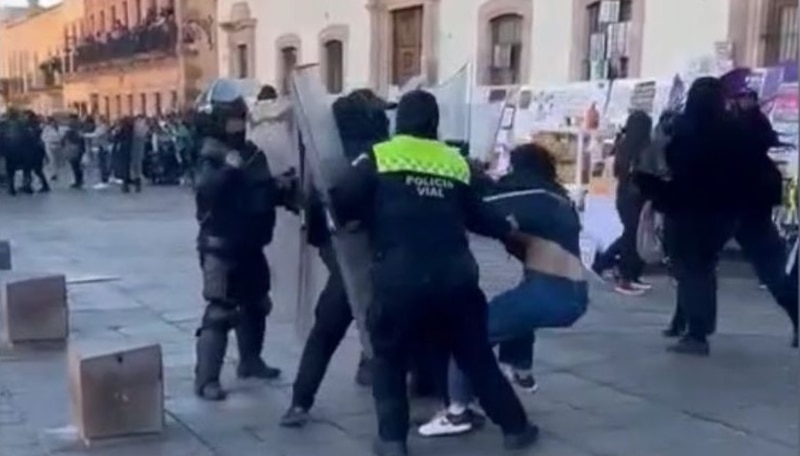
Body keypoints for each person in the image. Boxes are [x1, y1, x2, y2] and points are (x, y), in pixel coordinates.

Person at [330, 90, 538, 456]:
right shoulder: (455, 162)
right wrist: (511, 230)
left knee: (389, 359)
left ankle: (393, 440)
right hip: (454, 279)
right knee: (476, 357)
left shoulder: (378, 157)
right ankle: (516, 429)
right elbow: (481, 217)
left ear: (400, 121)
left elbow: (342, 200)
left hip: (399, 279)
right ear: (434, 122)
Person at [418, 143, 588, 437]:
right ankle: (519, 367)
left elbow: (483, 206)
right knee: (515, 311)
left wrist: (462, 175)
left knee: (469, 336)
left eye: (510, 166)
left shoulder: (528, 195)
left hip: (551, 291)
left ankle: (458, 412)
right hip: (567, 291)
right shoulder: (555, 196)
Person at [279, 88, 392, 428]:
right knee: (388, 329)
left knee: (326, 332)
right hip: (381, 257)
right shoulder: (379, 158)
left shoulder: (329, 161)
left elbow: (318, 214)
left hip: (345, 257)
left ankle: (300, 402)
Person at [192, 79, 297, 401]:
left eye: (239, 119)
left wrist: (283, 188)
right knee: (220, 310)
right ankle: (206, 379)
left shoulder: (250, 152)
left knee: (256, 304)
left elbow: (261, 189)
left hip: (251, 242)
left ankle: (250, 361)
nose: (236, 126)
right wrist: (228, 171)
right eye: (231, 120)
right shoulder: (210, 154)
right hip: (220, 245)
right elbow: (205, 189)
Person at [591, 110, 653, 295]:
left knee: (632, 234)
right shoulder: (641, 148)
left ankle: (618, 270)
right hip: (635, 197)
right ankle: (624, 275)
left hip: (625, 196)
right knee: (632, 236)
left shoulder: (624, 146)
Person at [248, 84, 294, 176]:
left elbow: (251, 124)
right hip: (279, 148)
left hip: (259, 147)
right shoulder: (280, 106)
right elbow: (289, 110)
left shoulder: (254, 110)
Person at [41, 117, 65, 181]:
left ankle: (56, 173)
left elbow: (62, 137)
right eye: (51, 122)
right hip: (49, 146)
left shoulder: (59, 129)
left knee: (57, 161)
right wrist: (49, 140)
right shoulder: (47, 129)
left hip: (58, 146)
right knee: (52, 160)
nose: (53, 123)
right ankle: (53, 174)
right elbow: (43, 137)